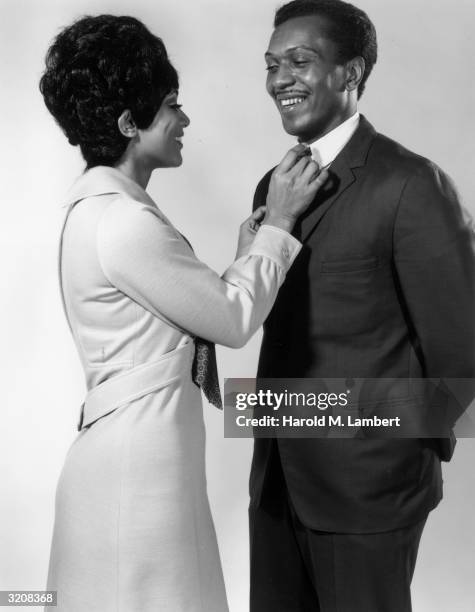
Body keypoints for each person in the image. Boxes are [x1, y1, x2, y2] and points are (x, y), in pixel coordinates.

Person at [39, 14, 327, 612]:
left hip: (139, 458)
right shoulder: (120, 222)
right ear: (127, 123)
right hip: (135, 477)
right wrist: (279, 222)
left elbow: (184, 315)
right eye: (171, 105)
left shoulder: (107, 209)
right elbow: (229, 320)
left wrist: (251, 252)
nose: (184, 119)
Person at [249, 1, 475, 611]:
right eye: (271, 65)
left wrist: (388, 451)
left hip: (368, 494)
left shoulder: (410, 184)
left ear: (351, 74)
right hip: (275, 485)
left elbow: (460, 354)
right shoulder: (275, 185)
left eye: (299, 61)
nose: (279, 80)